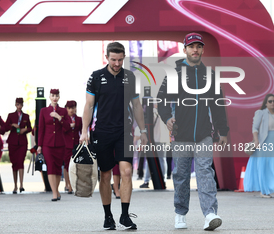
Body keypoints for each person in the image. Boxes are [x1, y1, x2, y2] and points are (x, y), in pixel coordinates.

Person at [157, 33, 229, 231]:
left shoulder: (211, 76)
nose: (195, 50)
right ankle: (180, 213)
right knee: (180, 175)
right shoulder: (174, 73)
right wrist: (167, 118)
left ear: (203, 50)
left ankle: (210, 214)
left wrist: (223, 131)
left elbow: (218, 106)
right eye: (191, 46)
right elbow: (161, 99)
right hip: (181, 135)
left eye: (198, 46)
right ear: (185, 49)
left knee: (205, 172)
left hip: (204, 135)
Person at [80, 42, 148, 230]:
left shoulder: (130, 77)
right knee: (105, 174)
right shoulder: (96, 77)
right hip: (101, 131)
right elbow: (88, 106)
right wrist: (84, 131)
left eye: (120, 60)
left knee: (126, 172)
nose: (117, 63)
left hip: (124, 132)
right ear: (107, 57)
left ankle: (125, 216)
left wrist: (143, 131)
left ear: (124, 57)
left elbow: (136, 106)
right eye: (113, 59)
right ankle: (108, 216)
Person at [37, 89, 69, 201]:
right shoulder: (44, 111)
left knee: (57, 168)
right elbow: (41, 129)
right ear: (49, 97)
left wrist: (59, 117)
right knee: (50, 166)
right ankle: (54, 193)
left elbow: (68, 127)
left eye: (56, 95)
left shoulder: (63, 111)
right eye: (53, 95)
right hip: (47, 144)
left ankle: (57, 191)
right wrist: (39, 145)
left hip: (60, 143)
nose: (54, 97)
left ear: (59, 97)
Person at [244, 93, 274, 198]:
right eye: (270, 101)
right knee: (263, 167)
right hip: (264, 143)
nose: (272, 103)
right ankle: (263, 191)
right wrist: (256, 141)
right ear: (266, 103)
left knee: (272, 167)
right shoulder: (260, 113)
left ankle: (271, 189)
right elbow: (255, 129)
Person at [5, 98, 32, 194]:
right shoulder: (11, 115)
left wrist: (24, 130)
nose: (19, 106)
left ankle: (21, 185)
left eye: (20, 104)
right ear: (15, 105)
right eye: (17, 104)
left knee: (20, 161)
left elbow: (30, 128)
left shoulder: (26, 116)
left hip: (22, 142)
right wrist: (12, 125)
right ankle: (15, 185)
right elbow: (5, 127)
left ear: (23, 105)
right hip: (12, 142)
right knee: (14, 163)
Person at [63, 100, 82, 194]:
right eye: (69, 108)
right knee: (67, 165)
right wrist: (69, 126)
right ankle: (68, 184)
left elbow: (82, 132)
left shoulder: (79, 119)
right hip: (66, 145)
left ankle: (75, 184)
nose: (71, 110)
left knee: (76, 165)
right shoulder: (64, 119)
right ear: (66, 109)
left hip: (76, 145)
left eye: (73, 108)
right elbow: (63, 130)